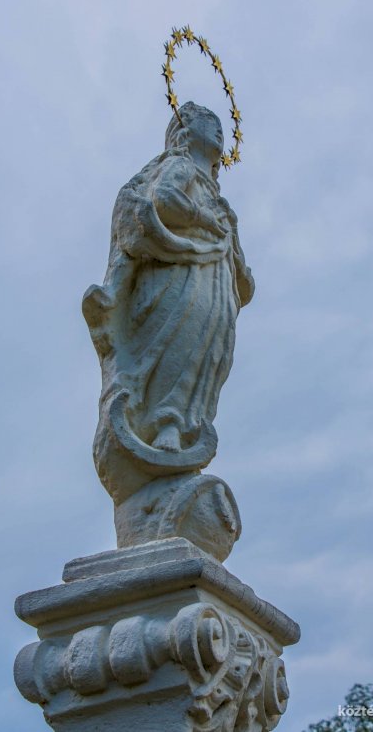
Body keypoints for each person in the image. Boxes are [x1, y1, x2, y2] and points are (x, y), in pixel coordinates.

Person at [83, 101, 254, 500]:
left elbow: (242, 273)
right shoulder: (181, 167)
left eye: (220, 125)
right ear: (185, 130)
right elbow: (164, 200)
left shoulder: (221, 201)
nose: (219, 130)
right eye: (208, 122)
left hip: (214, 284)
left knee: (204, 351)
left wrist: (237, 260)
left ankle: (185, 422)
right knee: (174, 340)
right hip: (177, 271)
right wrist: (203, 219)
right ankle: (164, 423)